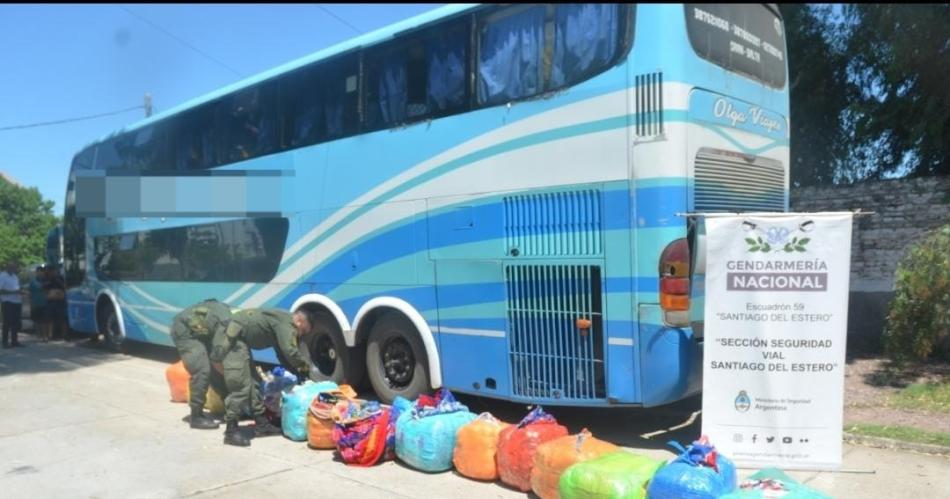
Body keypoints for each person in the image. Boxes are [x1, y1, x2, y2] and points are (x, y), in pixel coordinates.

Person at [210, 308, 317, 447]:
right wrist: (305, 368)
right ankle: (231, 431)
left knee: (254, 382)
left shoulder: (281, 323)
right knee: (241, 385)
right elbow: (290, 350)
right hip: (230, 339)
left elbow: (282, 353)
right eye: (303, 330)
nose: (300, 335)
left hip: (239, 340)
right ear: (299, 321)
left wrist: (296, 373)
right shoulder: (287, 324)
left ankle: (262, 424)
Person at [170, 299, 233, 430]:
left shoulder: (229, 318)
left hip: (203, 330)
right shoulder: (227, 322)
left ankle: (228, 408)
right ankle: (196, 416)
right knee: (202, 370)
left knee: (216, 367)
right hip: (185, 332)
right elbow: (218, 353)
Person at [0, 262, 26, 349]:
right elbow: (1, 290)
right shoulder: (2, 276)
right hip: (8, 302)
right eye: (13, 267)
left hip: (17, 301)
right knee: (7, 323)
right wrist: (13, 292)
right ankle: (5, 342)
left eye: (15, 267)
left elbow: (17, 287)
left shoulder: (15, 276)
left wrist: (21, 291)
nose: (15, 269)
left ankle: (14, 341)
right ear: (8, 267)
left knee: (16, 322)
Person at [43, 266, 67, 341]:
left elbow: (64, 286)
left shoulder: (60, 278)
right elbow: (44, 287)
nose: (51, 272)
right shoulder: (46, 278)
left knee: (62, 319)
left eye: (52, 271)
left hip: (60, 301)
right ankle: (48, 336)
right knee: (48, 319)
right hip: (50, 301)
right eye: (49, 271)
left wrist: (55, 279)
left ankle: (64, 335)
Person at [29, 265, 49, 342]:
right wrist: (31, 304)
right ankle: (39, 335)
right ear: (36, 272)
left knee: (44, 321)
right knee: (37, 321)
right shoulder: (33, 281)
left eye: (42, 272)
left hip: (44, 303)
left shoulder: (45, 280)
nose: (40, 273)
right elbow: (39, 288)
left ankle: (45, 336)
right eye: (39, 272)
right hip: (36, 303)